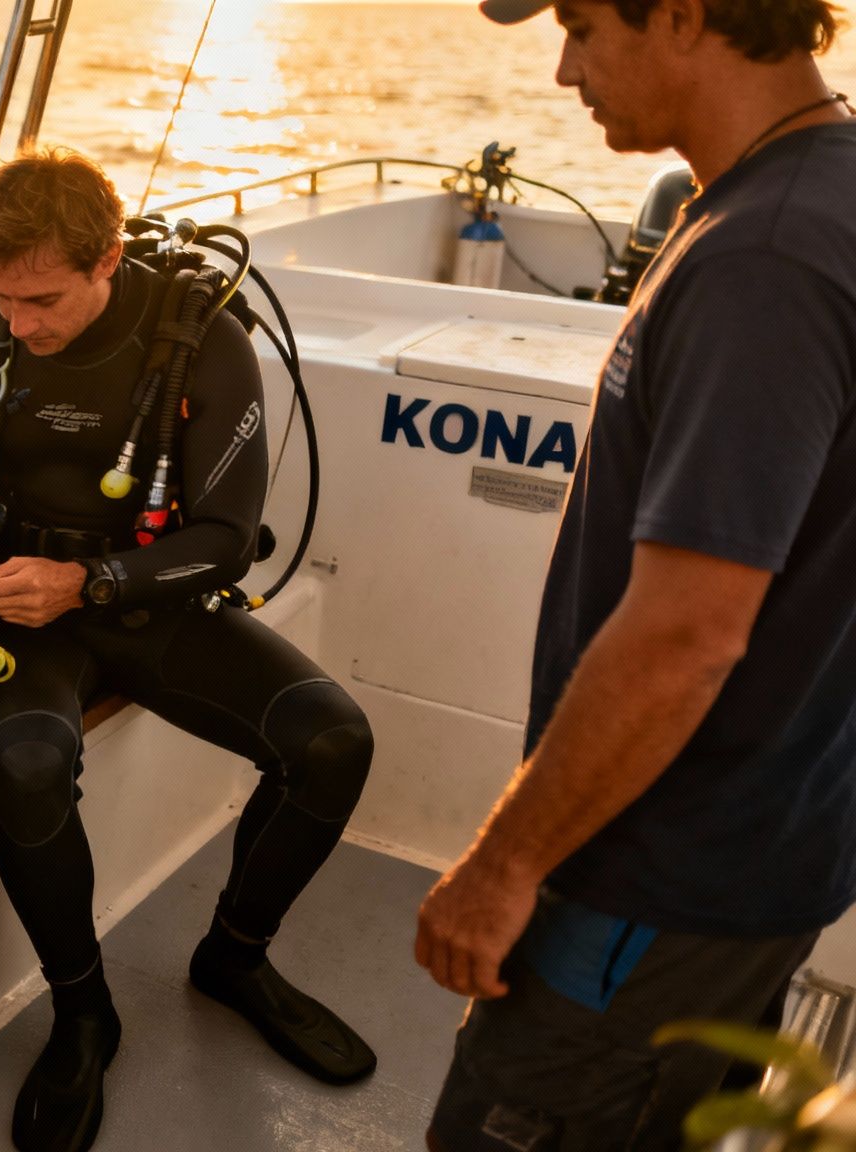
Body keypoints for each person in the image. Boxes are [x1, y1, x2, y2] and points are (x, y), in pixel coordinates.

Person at [0, 148, 377, 1152]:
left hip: (148, 602)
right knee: (28, 763)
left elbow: (223, 533)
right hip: (7, 606)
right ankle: (83, 1012)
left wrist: (88, 584)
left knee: (331, 740)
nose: (18, 324)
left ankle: (234, 957)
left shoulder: (200, 343)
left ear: (105, 262)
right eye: (0, 296)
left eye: (40, 299)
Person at [418, 1, 856, 1147]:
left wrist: (500, 867)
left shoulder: (762, 260)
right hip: (758, 853)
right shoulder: (819, 191)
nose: (562, 69)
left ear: (677, 12)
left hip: (654, 883)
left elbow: (684, 636)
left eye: (577, 23)